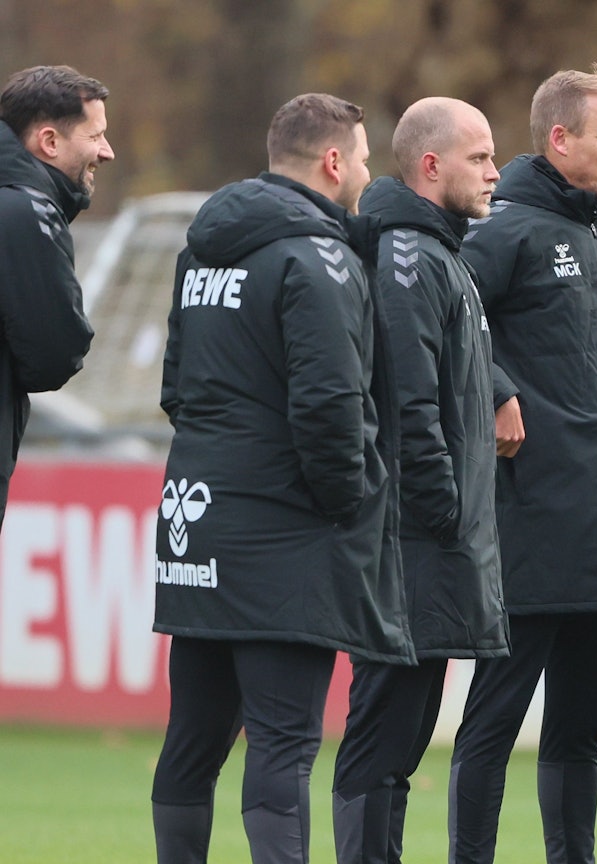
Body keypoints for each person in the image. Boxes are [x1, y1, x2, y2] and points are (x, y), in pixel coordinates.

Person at [151, 93, 412, 864]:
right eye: (363, 158)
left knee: (192, 744)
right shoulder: (317, 256)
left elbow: (177, 389)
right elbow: (331, 406)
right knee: (283, 745)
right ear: (333, 161)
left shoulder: (200, 251)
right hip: (284, 539)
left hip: (196, 523)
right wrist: (354, 502)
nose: (366, 173)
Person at [451, 65, 597, 864]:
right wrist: (501, 390)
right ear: (559, 139)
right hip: (533, 521)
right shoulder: (502, 229)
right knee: (493, 723)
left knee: (580, 732)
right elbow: (444, 319)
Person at [331, 97, 509, 864]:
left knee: (401, 741)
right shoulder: (407, 255)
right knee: (382, 733)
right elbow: (408, 404)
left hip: (432, 542)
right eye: (480, 156)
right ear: (431, 166)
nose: (496, 171)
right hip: (409, 544)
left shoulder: (442, 254)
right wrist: (439, 512)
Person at [0, 65, 109, 528]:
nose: (107, 151)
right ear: (49, 142)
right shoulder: (28, 212)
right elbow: (54, 353)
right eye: (95, 135)